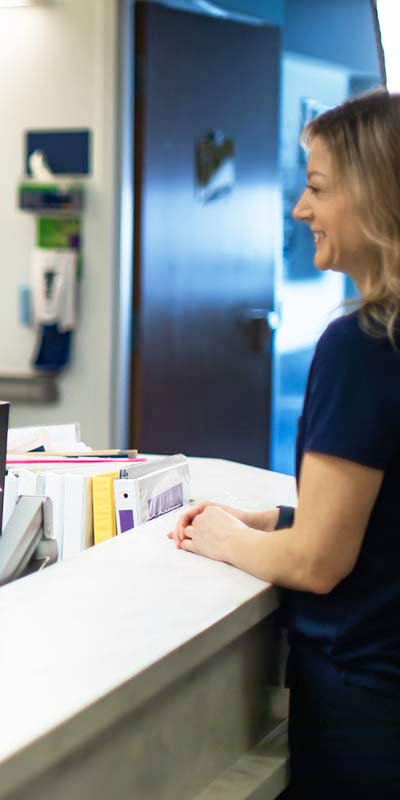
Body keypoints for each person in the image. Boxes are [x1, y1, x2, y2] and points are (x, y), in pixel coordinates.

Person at [171, 90, 400, 798]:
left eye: (319, 187)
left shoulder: (364, 344)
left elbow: (319, 563)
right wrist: (273, 520)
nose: (301, 209)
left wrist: (219, 537)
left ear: (377, 195)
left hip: (367, 703)